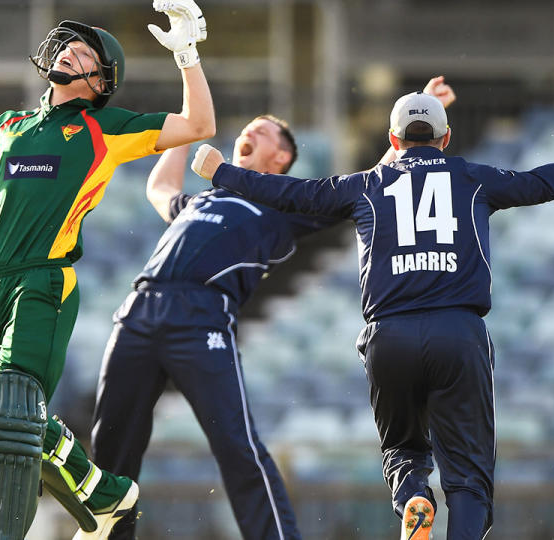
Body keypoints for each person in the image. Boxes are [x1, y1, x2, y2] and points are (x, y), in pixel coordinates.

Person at [191, 90, 554, 540]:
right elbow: (543, 183)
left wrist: (222, 172)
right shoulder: (473, 178)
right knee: (469, 476)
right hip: (458, 332)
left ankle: (414, 495)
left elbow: (292, 193)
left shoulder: (365, 184)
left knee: (402, 449)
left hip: (388, 337)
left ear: (392, 138)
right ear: (446, 138)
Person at [0, 2, 215, 538]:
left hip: (45, 280)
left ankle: (62, 511)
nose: (69, 51)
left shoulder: (104, 127)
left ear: (101, 82)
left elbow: (200, 123)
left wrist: (187, 55)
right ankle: (104, 496)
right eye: (67, 45)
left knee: (11, 408)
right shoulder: (11, 125)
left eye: (85, 53)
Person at [89, 76, 454, 540]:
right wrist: (187, 131)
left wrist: (414, 125)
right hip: (138, 311)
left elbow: (373, 181)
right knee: (111, 450)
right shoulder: (203, 200)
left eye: (264, 130)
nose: (251, 131)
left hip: (201, 318)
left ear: (281, 158)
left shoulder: (285, 203)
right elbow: (160, 187)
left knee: (237, 448)